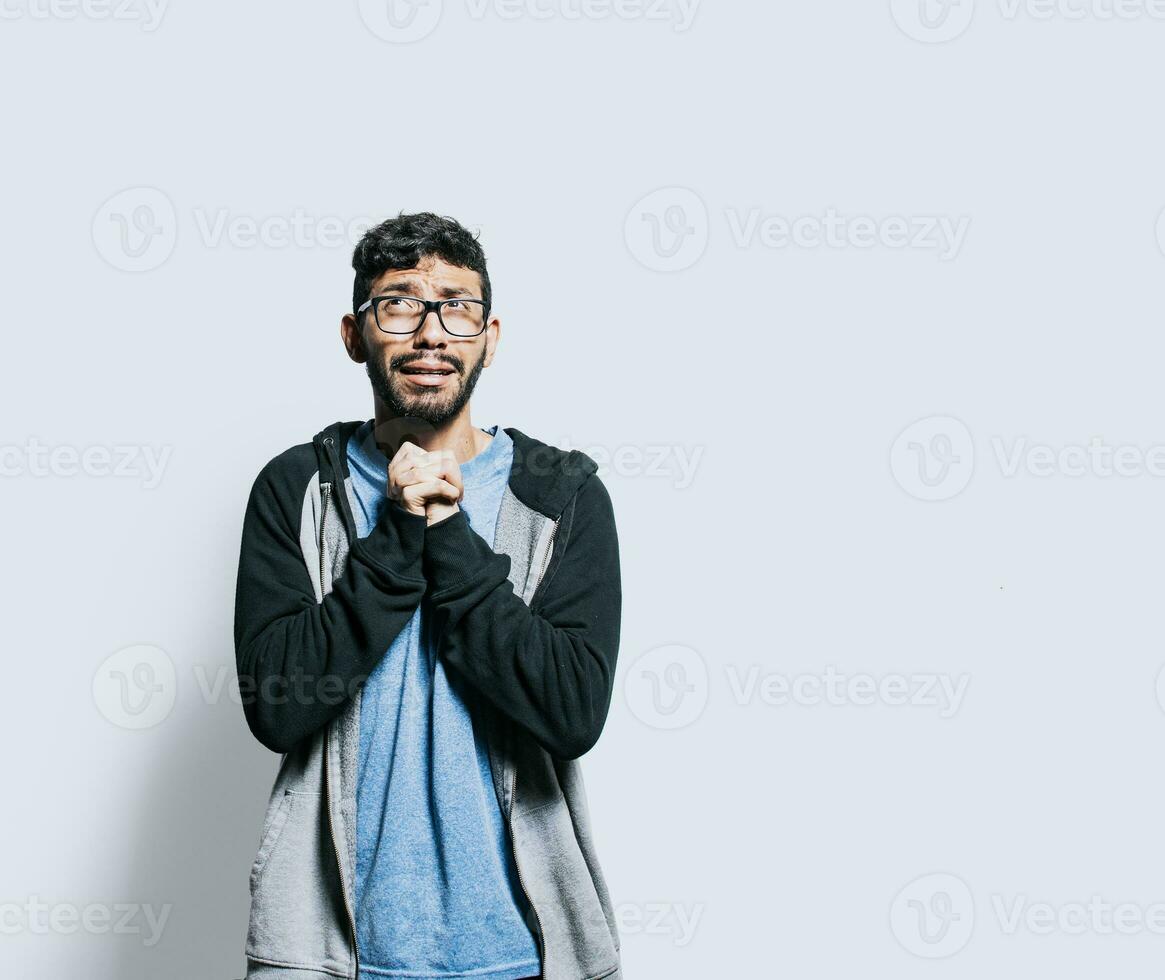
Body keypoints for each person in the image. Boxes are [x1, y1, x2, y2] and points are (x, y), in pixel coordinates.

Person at [233, 212, 624, 980]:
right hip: (324, 952)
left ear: (490, 336)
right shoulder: (297, 488)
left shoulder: (561, 495)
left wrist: (447, 532)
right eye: (400, 304)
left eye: (457, 306)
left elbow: (571, 713)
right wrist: (394, 534)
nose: (431, 332)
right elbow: (277, 707)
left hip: (521, 953)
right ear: (355, 335)